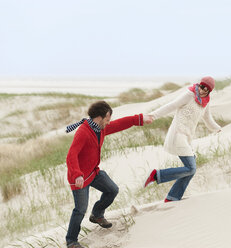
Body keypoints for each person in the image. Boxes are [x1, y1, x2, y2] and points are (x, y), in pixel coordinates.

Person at [65, 100, 152, 248]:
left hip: (93, 172)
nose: (109, 122)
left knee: (112, 190)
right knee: (80, 210)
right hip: (79, 178)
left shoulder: (100, 128)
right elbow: (71, 155)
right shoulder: (83, 132)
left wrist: (139, 119)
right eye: (107, 119)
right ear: (99, 118)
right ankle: (71, 241)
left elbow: (120, 124)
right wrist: (77, 174)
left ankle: (97, 214)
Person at [144, 76, 221, 202]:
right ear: (199, 85)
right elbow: (171, 105)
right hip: (178, 134)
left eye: (206, 90)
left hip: (187, 137)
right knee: (191, 168)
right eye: (202, 87)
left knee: (191, 169)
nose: (202, 90)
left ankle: (172, 197)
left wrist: (217, 128)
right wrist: (153, 115)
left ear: (209, 92)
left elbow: (207, 118)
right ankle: (156, 175)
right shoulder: (190, 94)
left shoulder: (205, 102)